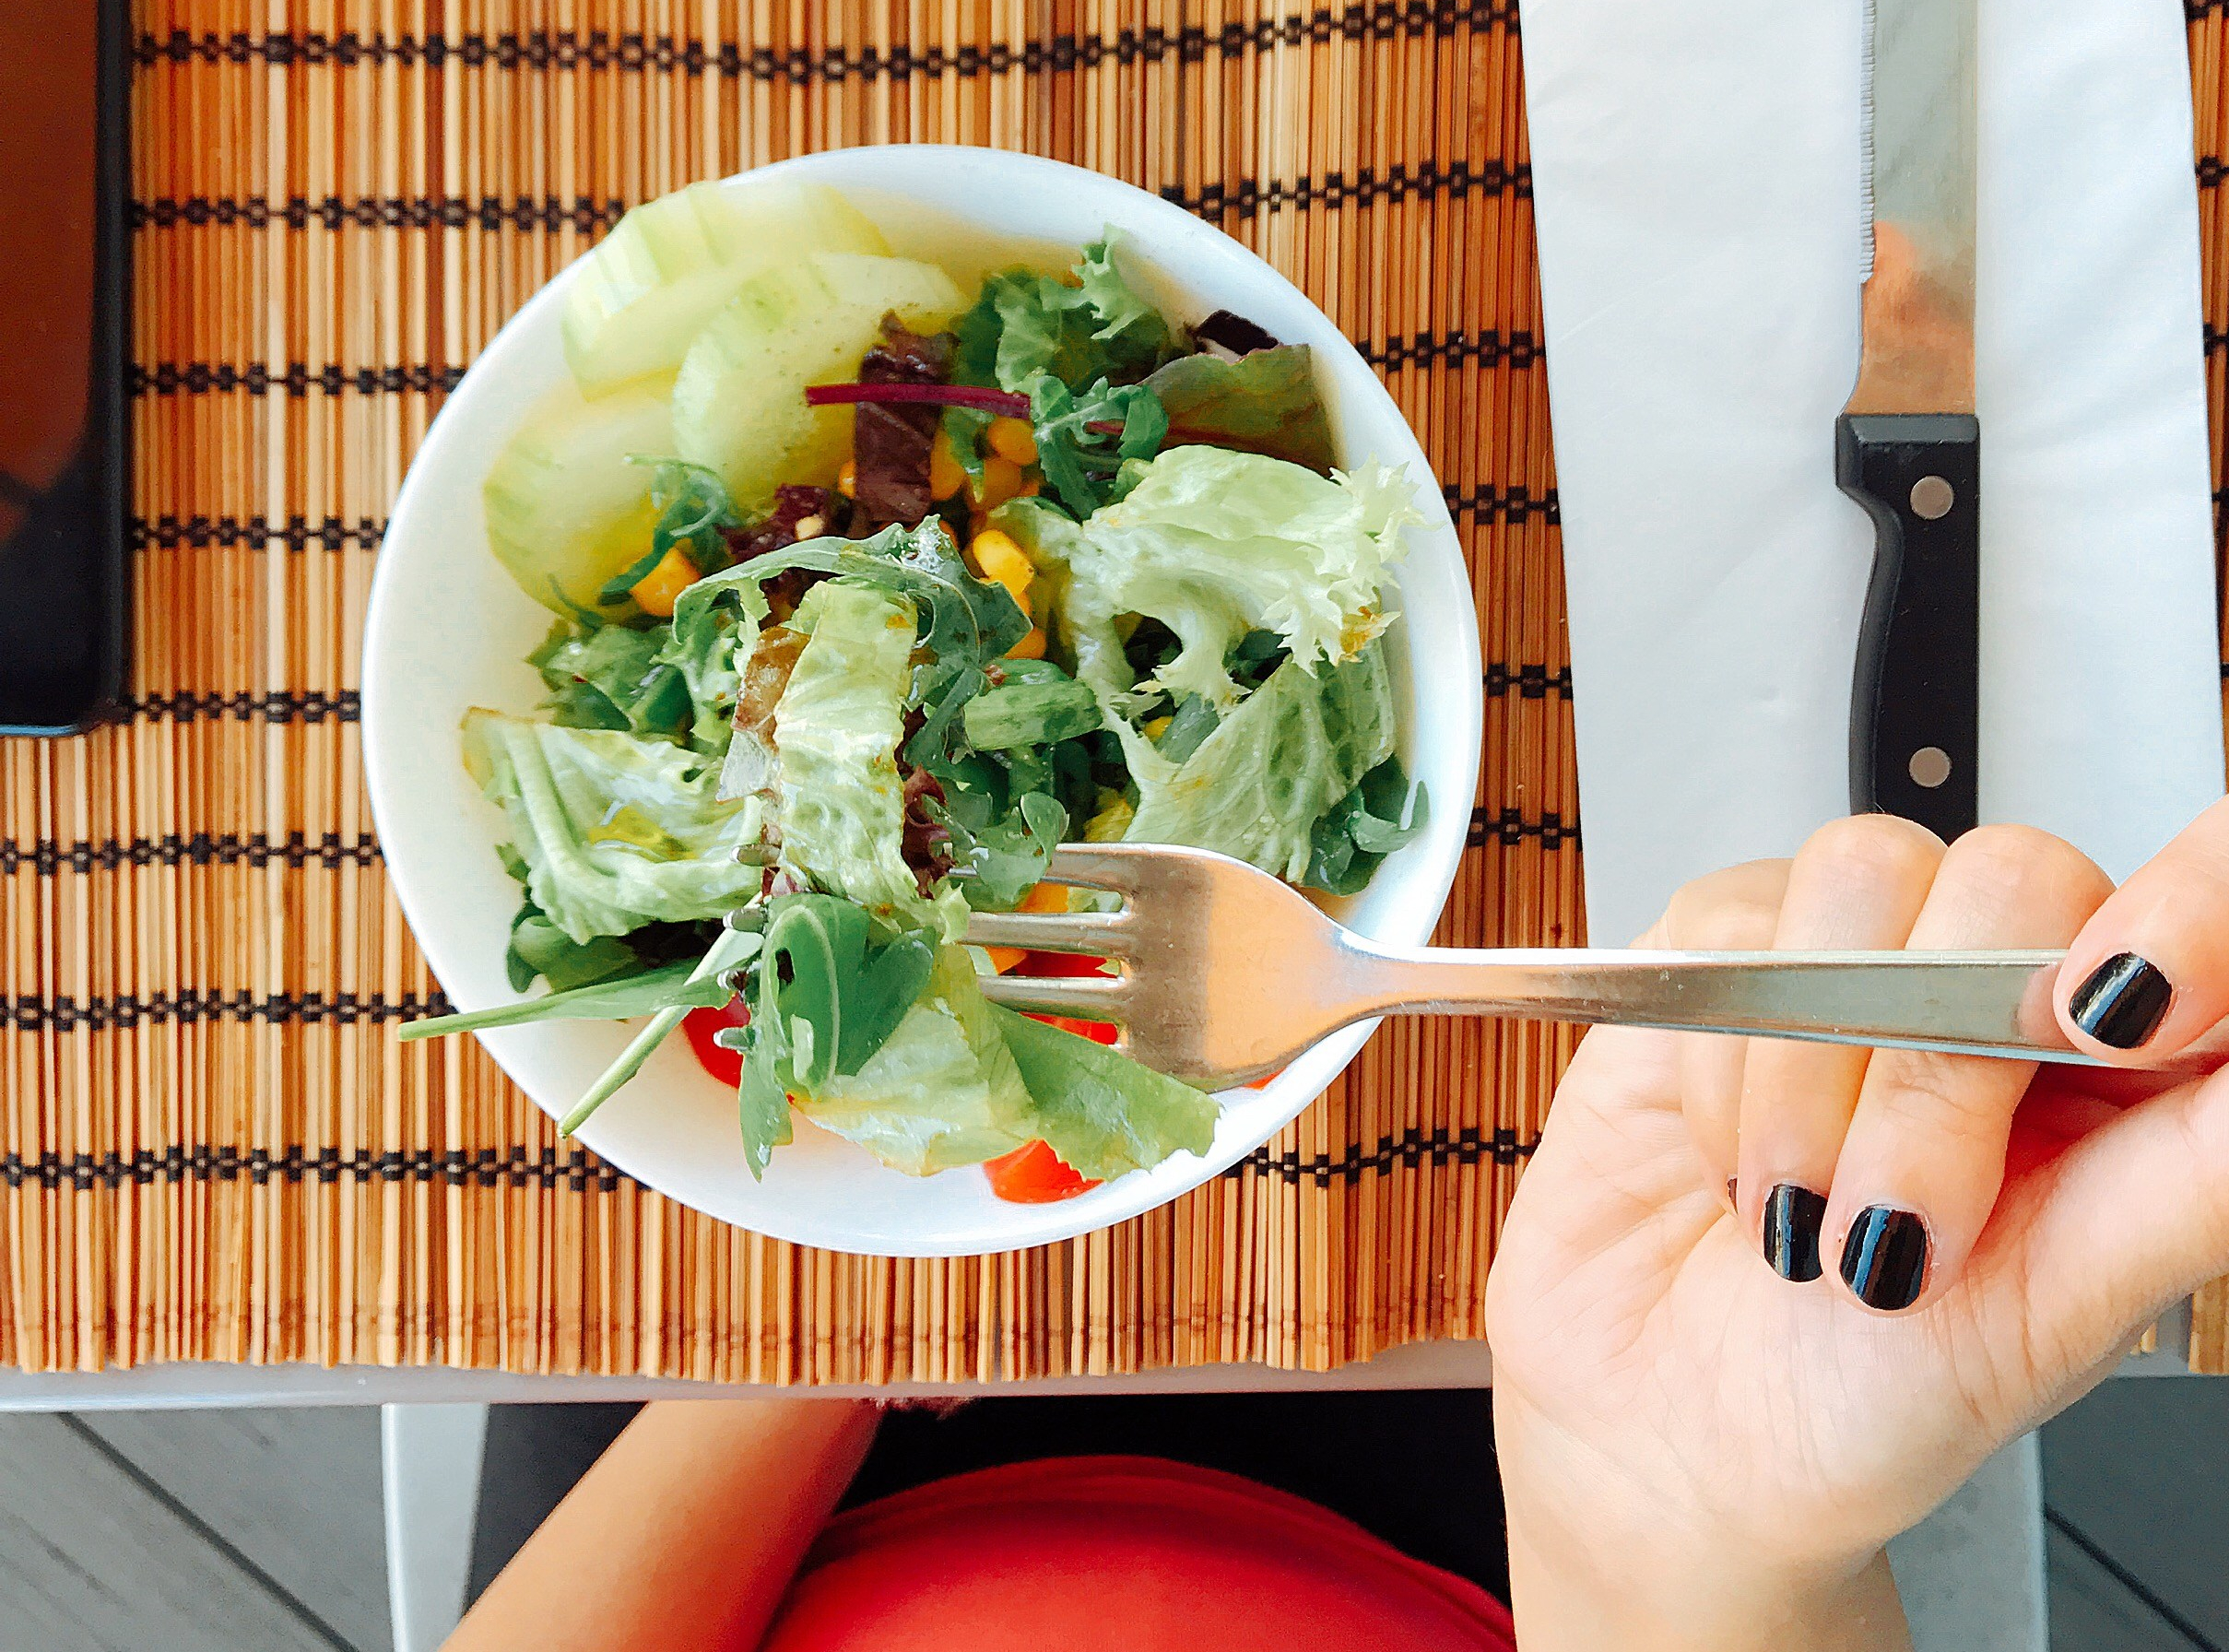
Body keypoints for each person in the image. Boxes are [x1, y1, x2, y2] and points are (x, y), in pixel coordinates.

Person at [443, 803, 2229, 1651]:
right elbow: (1683, 1531)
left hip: (771, 1521)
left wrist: (854, 1314)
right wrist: (1680, 1537)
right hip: (1512, 1519)